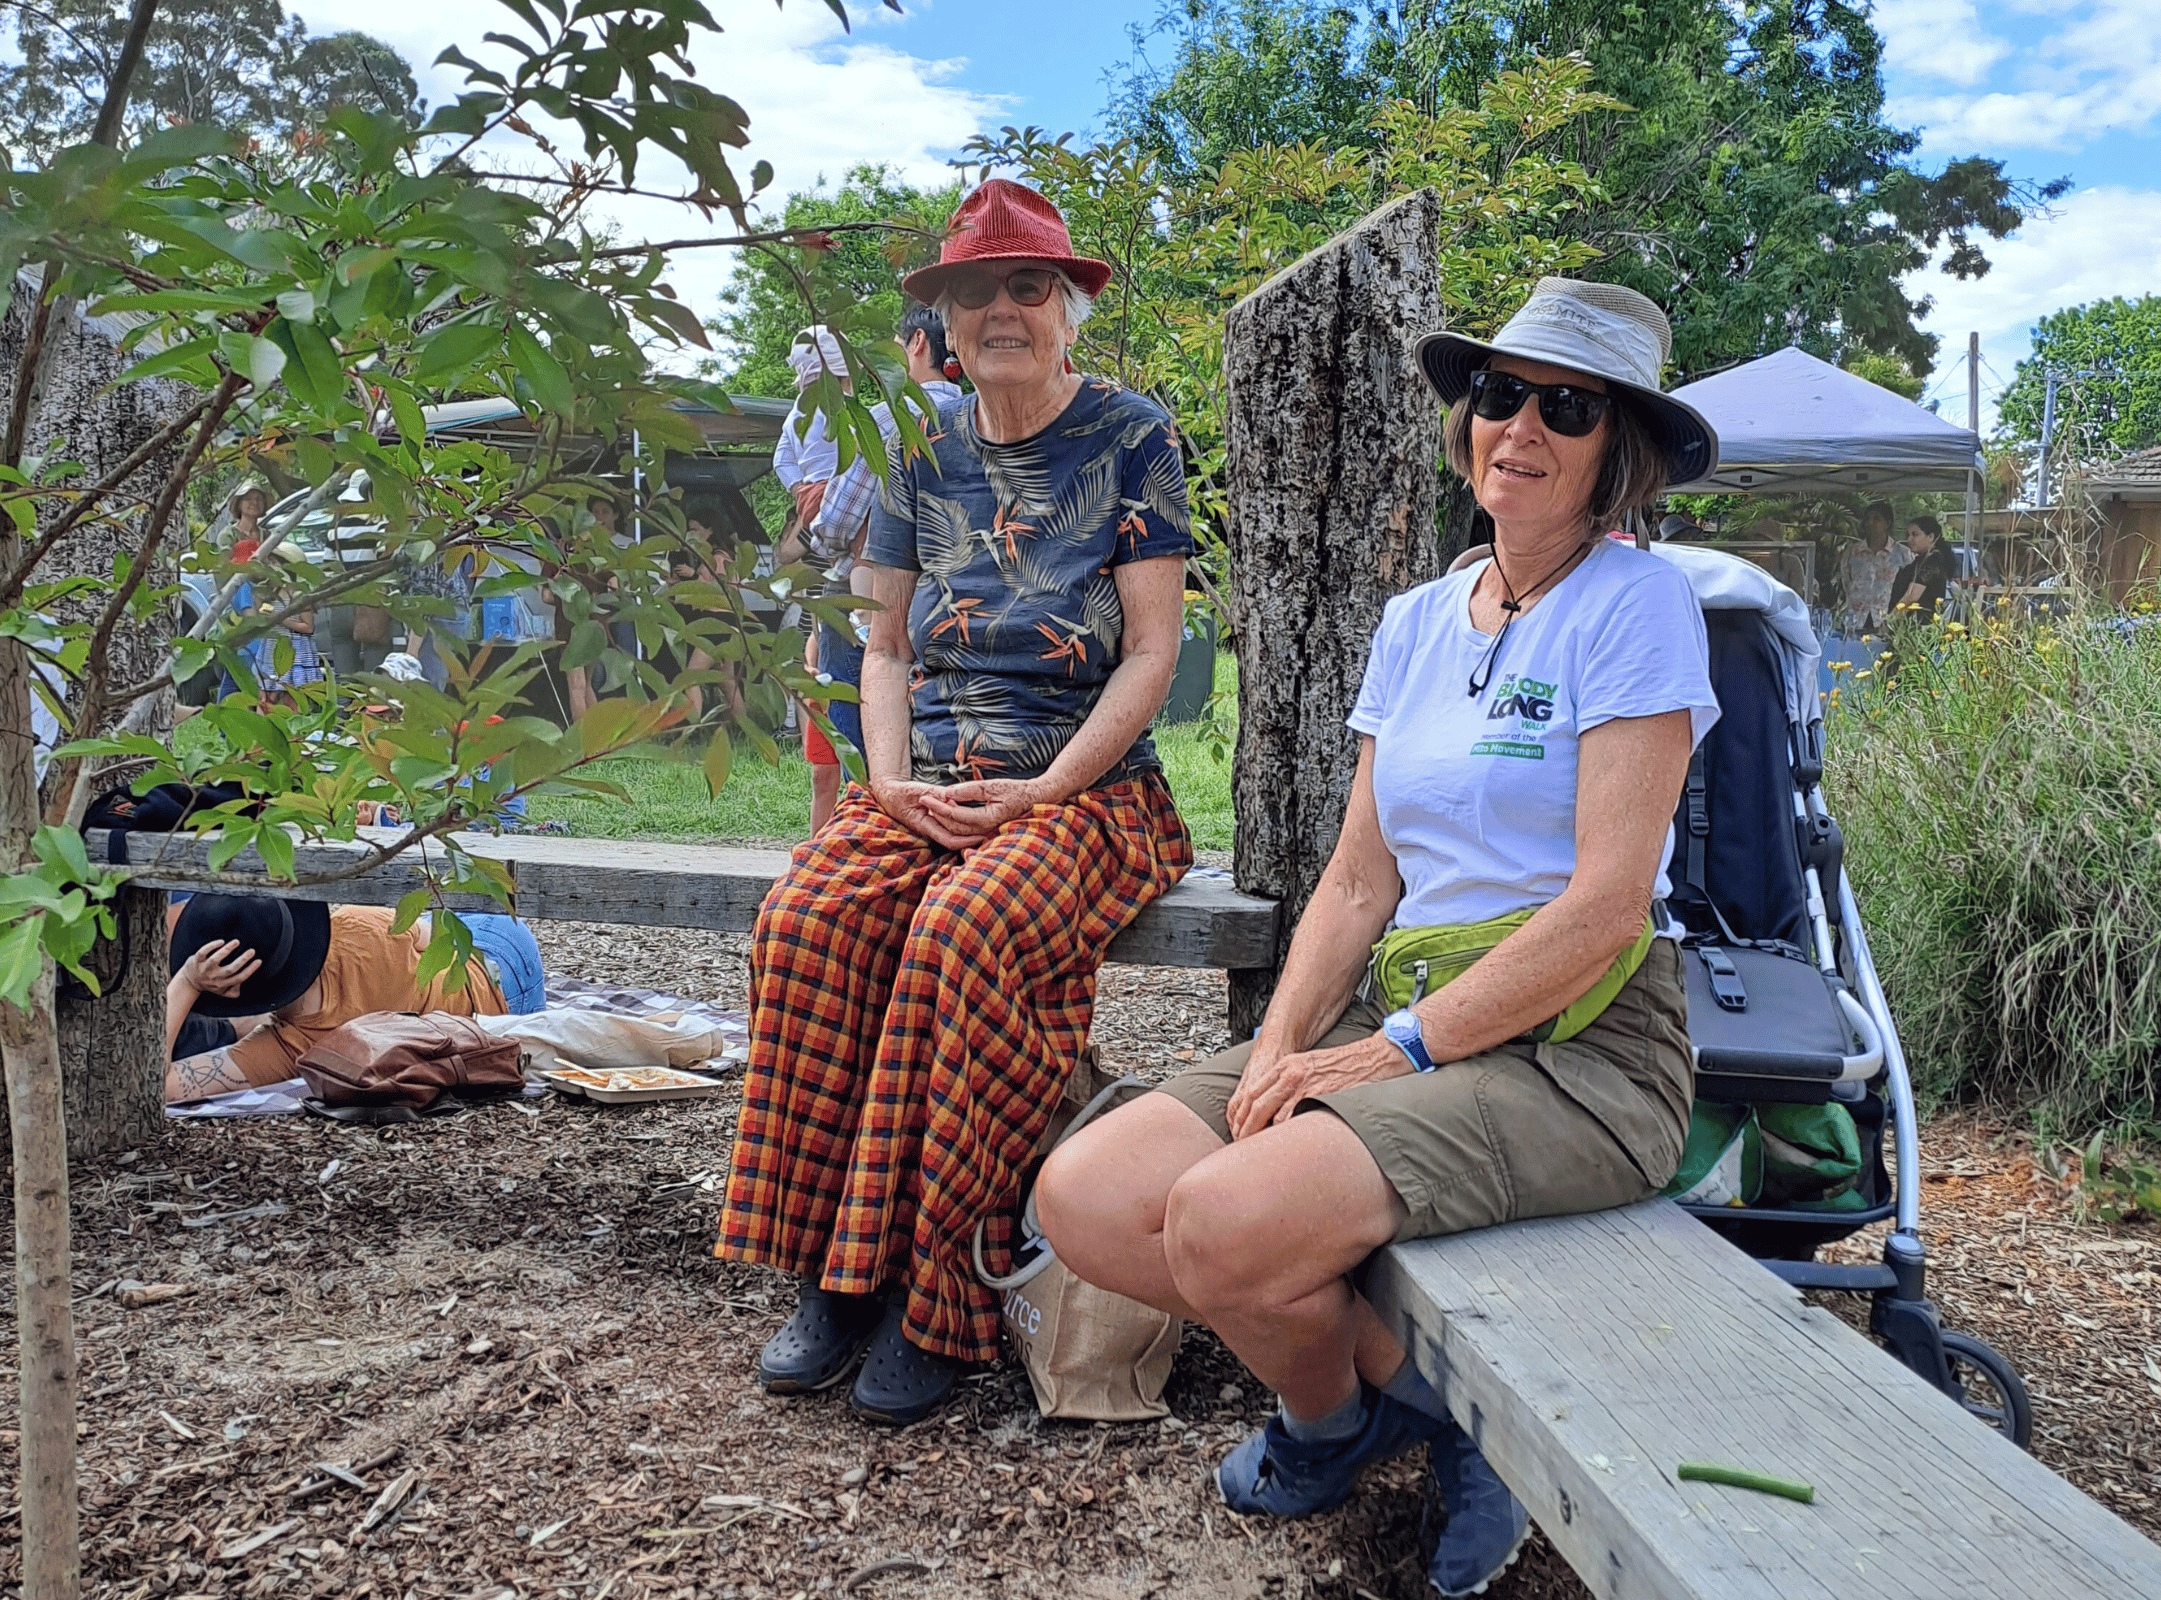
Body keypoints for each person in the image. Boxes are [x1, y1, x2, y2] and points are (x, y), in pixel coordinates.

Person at [1033, 277, 1720, 1599]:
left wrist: (1378, 1059)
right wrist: (1278, 1049)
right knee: (1091, 1198)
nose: (1517, 428)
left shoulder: (1637, 605)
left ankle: (1337, 1424)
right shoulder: (1414, 624)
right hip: (1402, 1014)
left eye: (1563, 408)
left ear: (1616, 449)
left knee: (1225, 1228)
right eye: (1497, 394)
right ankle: (1394, 1410)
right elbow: (1356, 878)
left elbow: (1607, 904)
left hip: (1578, 1048)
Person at [715, 178, 1194, 1427]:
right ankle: (835, 1268)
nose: (998, 311)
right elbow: (881, 645)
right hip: (925, 778)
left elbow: (1150, 655)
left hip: (1084, 787)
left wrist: (1045, 786)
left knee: (960, 936)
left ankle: (941, 1292)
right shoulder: (915, 448)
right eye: (971, 290)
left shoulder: (1134, 436)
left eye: (1026, 286)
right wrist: (884, 783)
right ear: (940, 320)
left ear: (1068, 306)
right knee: (805, 920)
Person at [800, 302, 965, 833]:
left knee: (855, 750)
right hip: (951, 611)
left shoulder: (888, 418)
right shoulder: (978, 418)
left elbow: (834, 523)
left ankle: (858, 837)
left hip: (872, 610)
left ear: (917, 344)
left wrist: (821, 518)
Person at [164, 895, 547, 1103]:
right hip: (499, 943)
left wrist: (187, 983)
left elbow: (156, 1084)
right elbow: (436, 943)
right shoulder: (354, 923)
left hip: (503, 1006)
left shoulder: (287, 1051)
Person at [1839, 501, 1902, 635]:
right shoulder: (1852, 551)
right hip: (1855, 619)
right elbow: (1845, 579)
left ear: (1887, 523)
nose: (1870, 523)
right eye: (1867, 519)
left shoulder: (1902, 554)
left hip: (1886, 621)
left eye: (1876, 519)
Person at [1894, 514, 1954, 620]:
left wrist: (1891, 619)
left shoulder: (1934, 560)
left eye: (1915, 535)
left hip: (1922, 624)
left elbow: (1912, 597)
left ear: (1930, 537)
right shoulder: (1923, 559)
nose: (1909, 539)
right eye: (1908, 535)